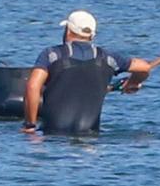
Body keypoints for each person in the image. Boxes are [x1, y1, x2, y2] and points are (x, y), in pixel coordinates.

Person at [21, 9, 152, 135]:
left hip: (53, 138)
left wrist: (30, 125)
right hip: (90, 141)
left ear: (68, 30)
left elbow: (33, 87)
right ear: (92, 35)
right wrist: (133, 82)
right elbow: (144, 67)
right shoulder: (109, 59)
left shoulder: (51, 54)